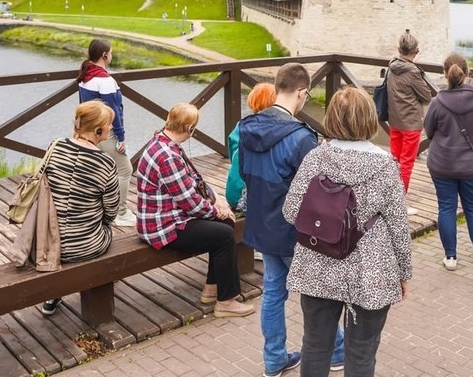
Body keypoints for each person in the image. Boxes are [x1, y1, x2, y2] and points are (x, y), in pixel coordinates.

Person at [283, 87, 412, 377]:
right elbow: (399, 228)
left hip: (318, 264)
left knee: (315, 347)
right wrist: (404, 273)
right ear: (369, 118)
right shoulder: (385, 165)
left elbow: (290, 212)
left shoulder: (316, 158)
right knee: (362, 353)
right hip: (371, 271)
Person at [239, 63, 344, 377]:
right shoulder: (300, 138)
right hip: (294, 230)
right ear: (300, 92)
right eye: (306, 94)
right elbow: (319, 191)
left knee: (273, 292)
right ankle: (337, 350)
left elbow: (245, 173)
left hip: (262, 224)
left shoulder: (248, 127)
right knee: (317, 293)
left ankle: (273, 359)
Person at [136, 102, 254, 318]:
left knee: (225, 226)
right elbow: (189, 203)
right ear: (190, 129)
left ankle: (212, 288)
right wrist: (217, 211)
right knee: (224, 232)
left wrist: (216, 198)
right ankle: (226, 301)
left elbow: (193, 179)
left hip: (167, 216)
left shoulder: (163, 142)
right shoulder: (168, 157)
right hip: (162, 226)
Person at [40, 100, 120, 315]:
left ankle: (53, 295)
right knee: (106, 231)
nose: (112, 128)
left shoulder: (55, 145)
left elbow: (41, 180)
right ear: (98, 130)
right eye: (110, 124)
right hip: (86, 245)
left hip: (46, 241)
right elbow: (112, 210)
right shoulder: (105, 163)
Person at [423, 54, 473, 272]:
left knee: (446, 207)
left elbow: (429, 130)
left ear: (445, 73)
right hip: (471, 165)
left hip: (442, 163)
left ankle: (451, 257)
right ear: (468, 72)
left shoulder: (438, 102)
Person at [77, 38, 136, 227]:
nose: (112, 55)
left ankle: (102, 210)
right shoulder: (105, 80)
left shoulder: (86, 75)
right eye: (110, 52)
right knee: (125, 170)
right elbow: (113, 112)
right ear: (104, 55)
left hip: (88, 133)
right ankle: (120, 212)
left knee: (100, 171)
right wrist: (121, 137)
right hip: (105, 132)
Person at [386, 29, 432, 215]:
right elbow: (426, 94)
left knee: (394, 160)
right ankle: (399, 203)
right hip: (411, 123)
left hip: (394, 120)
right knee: (406, 163)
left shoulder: (392, 65)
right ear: (416, 51)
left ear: (399, 49)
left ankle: (388, 198)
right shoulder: (412, 71)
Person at [225, 82, 277, 211]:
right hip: (254, 199)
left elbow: (233, 154)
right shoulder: (277, 129)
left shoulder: (241, 125)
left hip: (232, 193)